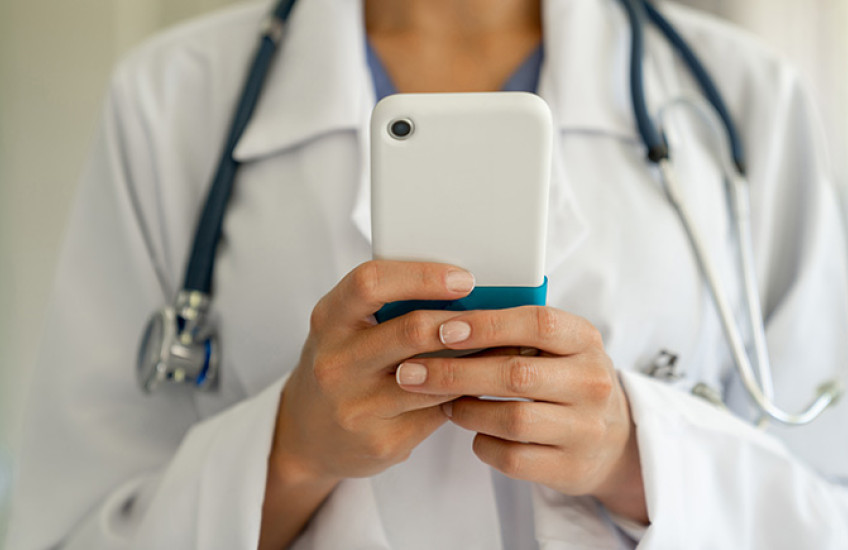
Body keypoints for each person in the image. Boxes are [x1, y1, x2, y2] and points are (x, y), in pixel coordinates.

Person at [7, 0, 848, 548]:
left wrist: (637, 458)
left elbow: (828, 506)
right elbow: (67, 527)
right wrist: (290, 454)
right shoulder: (170, 99)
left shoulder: (745, 98)